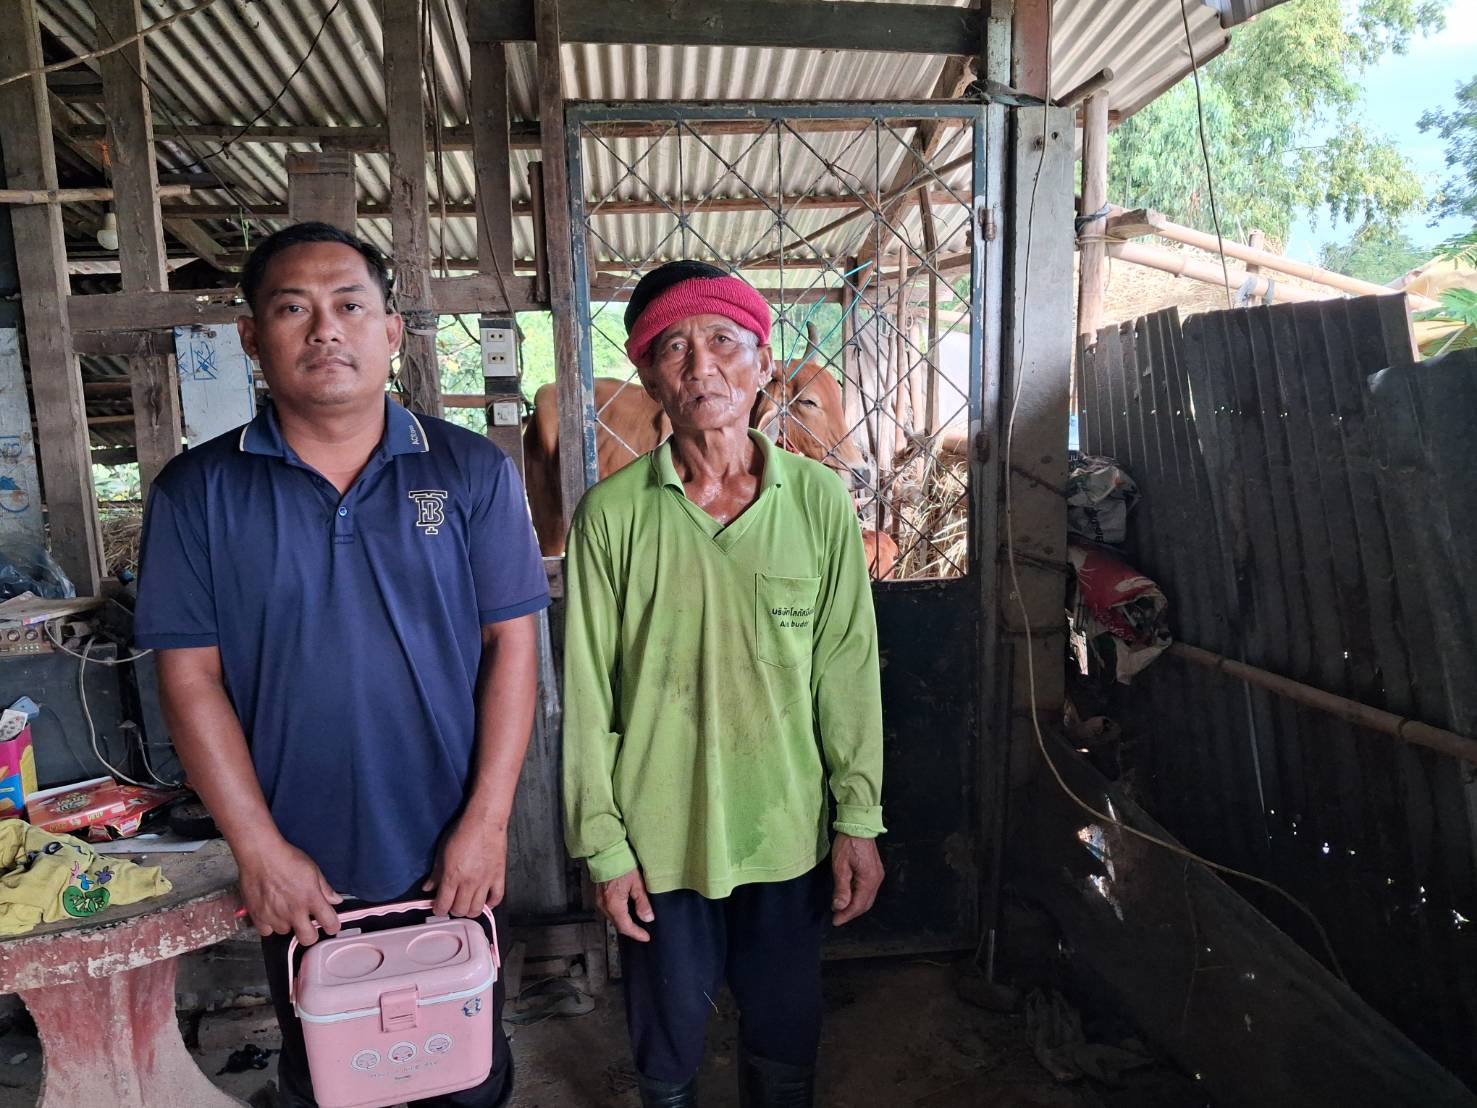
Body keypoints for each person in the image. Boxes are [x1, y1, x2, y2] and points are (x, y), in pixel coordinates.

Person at [133, 222, 549, 1108]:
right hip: (299, 861)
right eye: (294, 309)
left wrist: (487, 822)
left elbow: (512, 644)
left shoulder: (469, 471)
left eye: (350, 305)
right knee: (333, 1069)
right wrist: (259, 849)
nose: (326, 329)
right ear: (252, 337)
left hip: (451, 845)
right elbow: (189, 677)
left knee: (465, 1067)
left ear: (390, 330)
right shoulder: (198, 492)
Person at [561, 261, 887, 1107]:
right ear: (648, 377)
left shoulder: (817, 502)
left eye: (722, 341)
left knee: (784, 1027)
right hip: (659, 835)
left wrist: (857, 819)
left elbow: (846, 669)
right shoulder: (611, 516)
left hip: (786, 827)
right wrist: (603, 845)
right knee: (667, 1039)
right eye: (672, 348)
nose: (701, 366)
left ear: (762, 362)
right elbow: (588, 695)